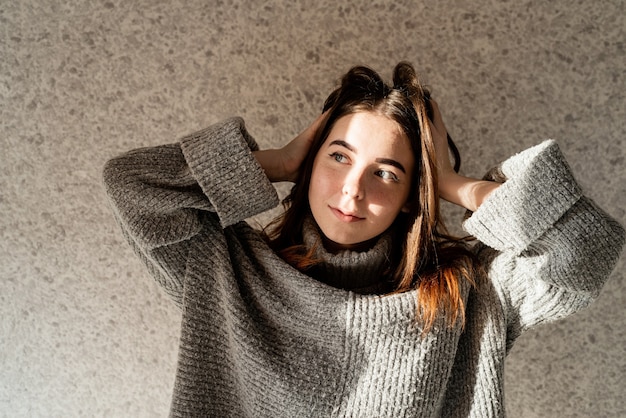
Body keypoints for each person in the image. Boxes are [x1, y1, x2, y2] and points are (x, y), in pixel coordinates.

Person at [103, 62, 624, 417]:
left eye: (388, 174)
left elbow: (585, 247)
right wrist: (280, 161)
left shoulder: (466, 296)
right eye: (339, 157)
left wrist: (450, 184)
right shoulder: (227, 271)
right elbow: (132, 183)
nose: (352, 191)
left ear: (409, 197)